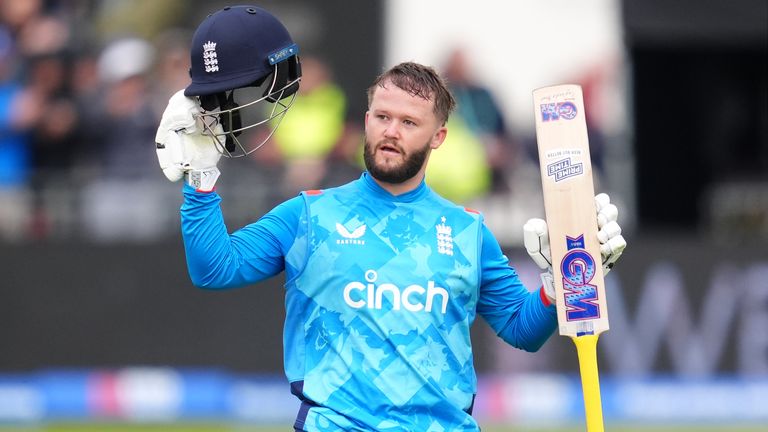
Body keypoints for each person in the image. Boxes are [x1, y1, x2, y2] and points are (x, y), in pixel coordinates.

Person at [154, 5, 627, 431]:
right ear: (365, 119)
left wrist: (558, 284)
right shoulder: (308, 215)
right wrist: (200, 180)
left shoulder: (468, 232)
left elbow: (523, 331)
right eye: (382, 117)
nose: (390, 132)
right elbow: (214, 269)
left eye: (408, 123)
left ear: (438, 137)